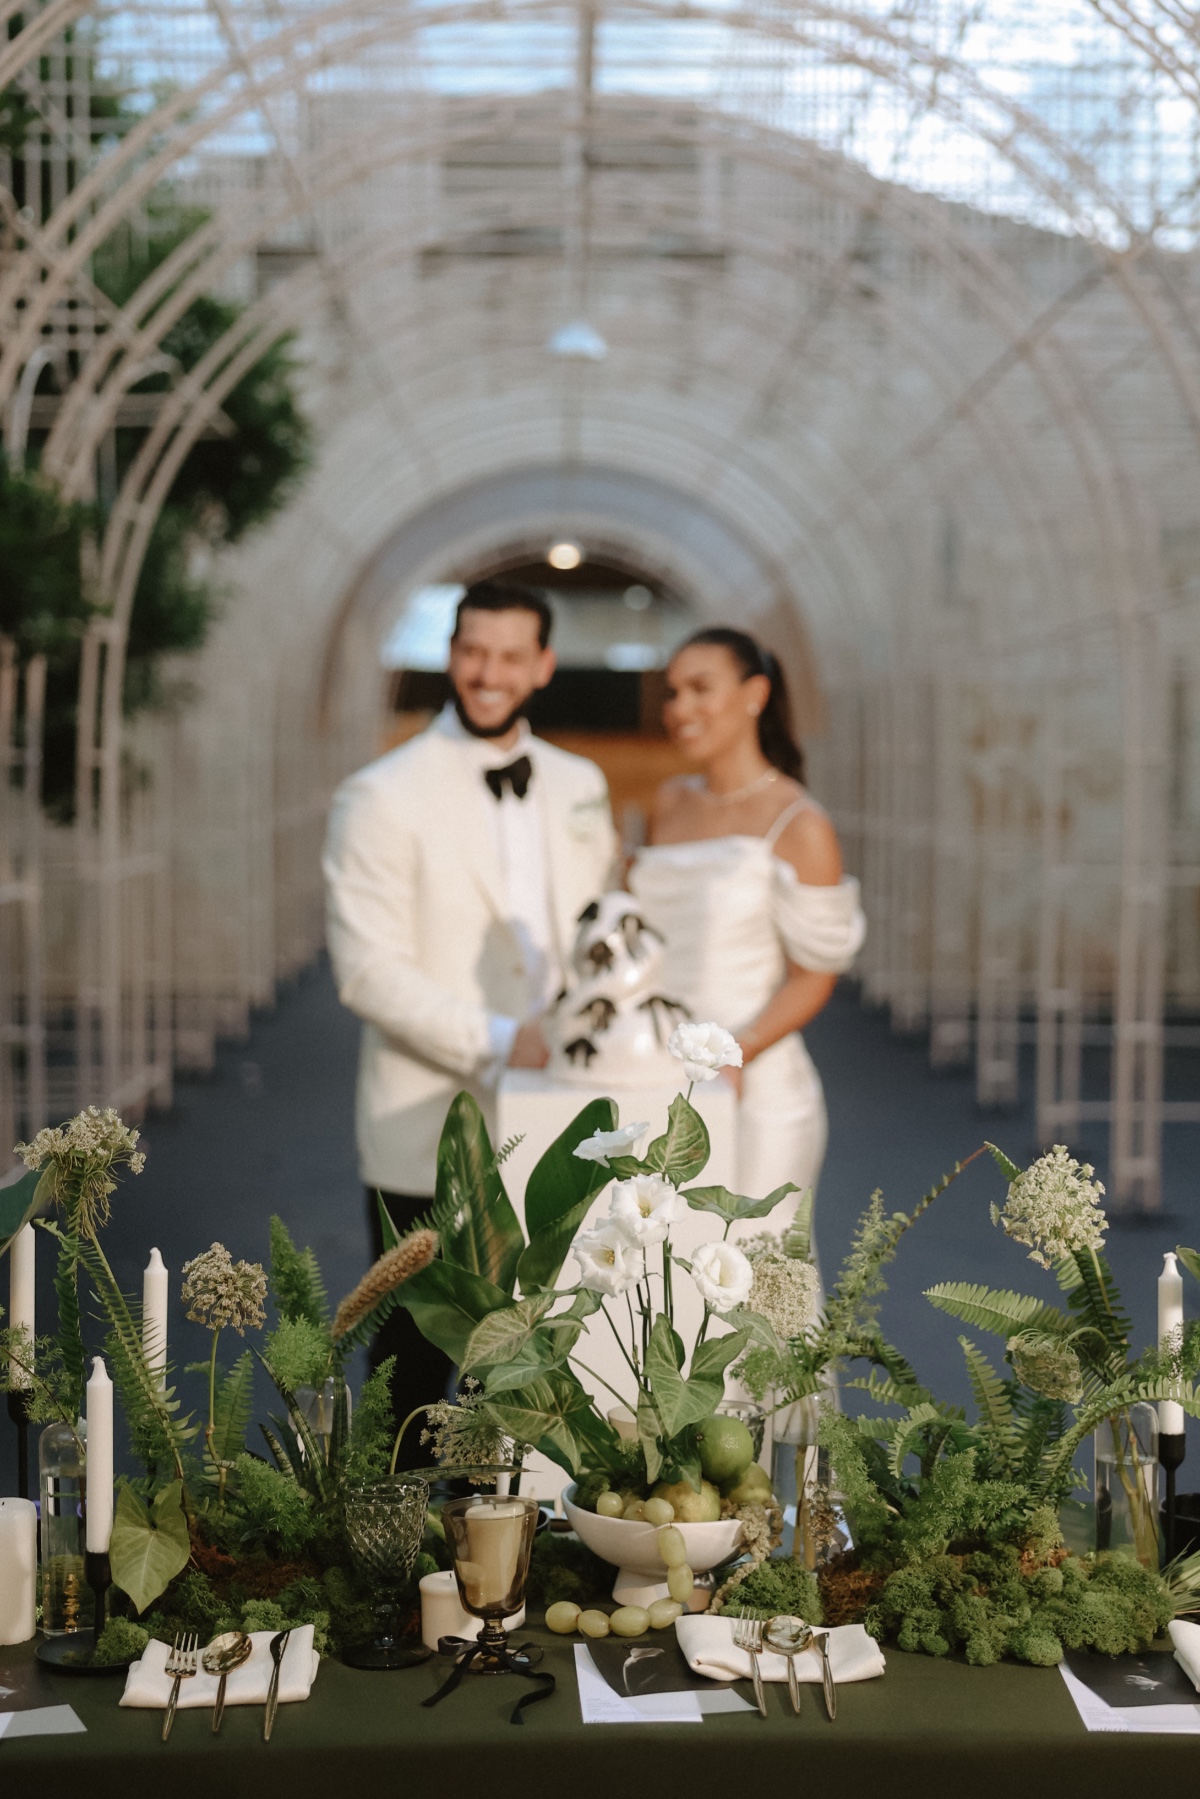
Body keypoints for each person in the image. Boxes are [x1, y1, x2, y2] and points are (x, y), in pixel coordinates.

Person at [323, 580, 617, 1451]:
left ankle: (500, 1560)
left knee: (529, 1359)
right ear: (452, 653)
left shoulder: (581, 782)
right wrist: (501, 1040)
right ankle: (388, 1561)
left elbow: (597, 928)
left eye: (509, 654)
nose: (488, 672)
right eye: (471, 649)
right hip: (427, 1121)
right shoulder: (380, 792)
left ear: (543, 665)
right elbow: (367, 972)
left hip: (557, 1117)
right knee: (413, 1361)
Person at [628, 627, 864, 1228]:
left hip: (754, 1084)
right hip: (655, 1073)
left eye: (700, 689)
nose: (679, 708)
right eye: (672, 692)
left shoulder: (799, 821)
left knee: (752, 1288)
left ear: (755, 694)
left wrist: (733, 1056)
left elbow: (814, 977)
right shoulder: (669, 802)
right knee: (662, 1284)